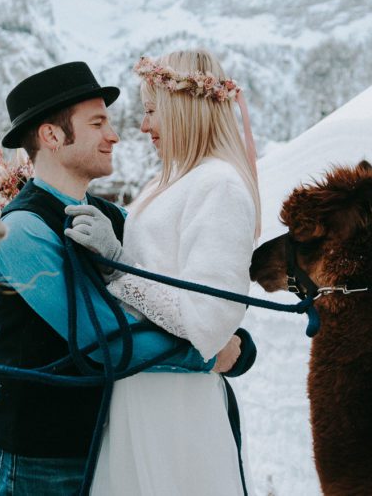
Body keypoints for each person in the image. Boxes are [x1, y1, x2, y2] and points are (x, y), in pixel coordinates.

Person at [0, 61, 247, 496]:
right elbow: (102, 341)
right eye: (98, 123)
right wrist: (210, 353)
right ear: (52, 135)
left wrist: (228, 334)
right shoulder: (20, 231)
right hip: (40, 457)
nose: (115, 135)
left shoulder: (115, 218)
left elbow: (164, 292)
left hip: (111, 445)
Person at [67, 49, 261, 495]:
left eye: (152, 111)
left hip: (176, 409)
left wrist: (116, 267)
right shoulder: (167, 183)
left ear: (183, 109)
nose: (144, 126)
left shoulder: (221, 187)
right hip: (142, 395)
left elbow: (208, 323)